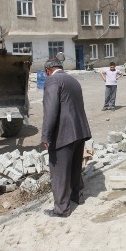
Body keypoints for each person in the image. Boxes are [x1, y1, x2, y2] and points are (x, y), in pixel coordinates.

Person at [41, 57, 92, 218]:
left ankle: (62, 209)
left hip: (63, 134)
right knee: (75, 168)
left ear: (48, 70)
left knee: (59, 172)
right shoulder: (73, 80)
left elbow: (50, 110)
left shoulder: (52, 81)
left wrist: (46, 135)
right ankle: (78, 196)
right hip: (79, 131)